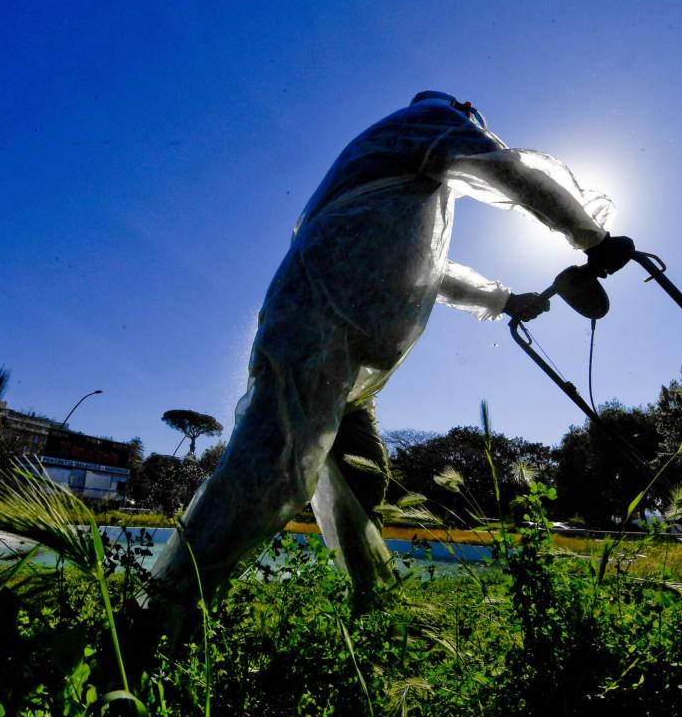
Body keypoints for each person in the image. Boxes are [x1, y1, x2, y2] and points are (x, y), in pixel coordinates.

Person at [144, 91, 635, 635]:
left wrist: (504, 300)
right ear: (461, 110)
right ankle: (163, 614)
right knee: (267, 473)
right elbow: (507, 172)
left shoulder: (395, 185)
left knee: (363, 475)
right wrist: (592, 237)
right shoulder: (427, 122)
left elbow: (430, 271)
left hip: (347, 355)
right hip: (317, 326)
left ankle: (369, 613)